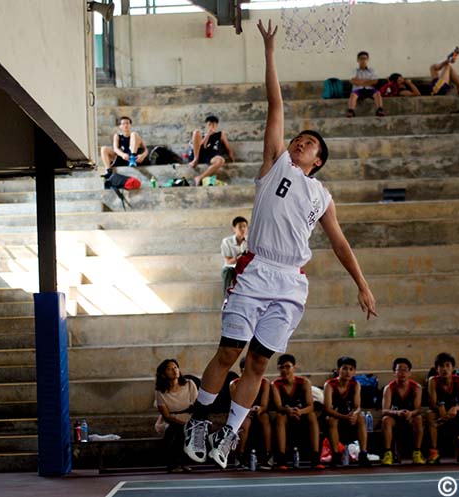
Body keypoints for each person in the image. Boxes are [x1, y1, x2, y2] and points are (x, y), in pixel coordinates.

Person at [182, 19, 377, 470]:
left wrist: (362, 285)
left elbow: (342, 244)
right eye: (297, 138)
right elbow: (275, 105)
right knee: (229, 352)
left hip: (291, 283)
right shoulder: (275, 166)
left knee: (257, 365)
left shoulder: (321, 196)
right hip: (256, 269)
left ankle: (229, 433)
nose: (298, 143)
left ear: (318, 161)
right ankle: (198, 420)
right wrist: (270, 52)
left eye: (307, 144)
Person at [271, 354, 323, 469]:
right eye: (281, 367)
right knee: (280, 417)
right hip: (286, 415)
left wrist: (300, 412)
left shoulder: (304, 382)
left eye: (287, 367)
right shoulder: (275, 384)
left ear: (294, 367)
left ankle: (315, 457)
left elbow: (310, 406)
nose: (284, 370)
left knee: (312, 416)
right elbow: (278, 406)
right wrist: (288, 410)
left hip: (302, 414)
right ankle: (281, 458)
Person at [425, 352, 459, 464]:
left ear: (453, 368)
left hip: (455, 413)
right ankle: (434, 452)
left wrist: (455, 409)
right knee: (429, 414)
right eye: (441, 366)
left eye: (448, 365)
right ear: (436, 369)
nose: (445, 369)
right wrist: (441, 409)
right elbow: (432, 403)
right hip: (440, 413)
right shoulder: (433, 381)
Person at [323, 356, 371, 467]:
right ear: (338, 370)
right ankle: (335, 455)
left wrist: (354, 414)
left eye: (351, 369)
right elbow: (327, 409)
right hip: (333, 415)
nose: (348, 372)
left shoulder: (356, 385)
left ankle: (363, 454)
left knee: (361, 418)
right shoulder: (329, 385)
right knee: (332, 420)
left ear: (354, 371)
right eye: (344, 368)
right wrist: (344, 417)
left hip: (348, 416)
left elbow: (357, 406)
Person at [154, 359, 198, 473]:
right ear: (163, 374)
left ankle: (181, 462)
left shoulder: (189, 384)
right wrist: (181, 422)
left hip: (189, 417)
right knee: (174, 430)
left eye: (175, 367)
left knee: (183, 431)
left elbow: (197, 406)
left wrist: (189, 422)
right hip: (171, 420)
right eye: (169, 369)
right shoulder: (160, 391)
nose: (174, 370)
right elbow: (166, 415)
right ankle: (174, 464)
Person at [230, 357, 272, 470]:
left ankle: (267, 456)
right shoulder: (234, 384)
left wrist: (259, 408)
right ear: (241, 371)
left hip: (258, 411)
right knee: (245, 422)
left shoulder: (265, 382)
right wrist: (247, 410)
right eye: (244, 371)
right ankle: (240, 455)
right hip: (241, 411)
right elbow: (236, 403)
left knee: (265, 418)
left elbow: (264, 404)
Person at [381, 357, 424, 466]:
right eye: (399, 370)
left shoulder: (416, 388)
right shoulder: (389, 388)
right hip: (395, 418)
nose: (402, 373)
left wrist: (411, 414)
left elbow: (418, 409)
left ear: (409, 373)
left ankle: (417, 452)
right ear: (394, 373)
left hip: (410, 418)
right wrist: (397, 413)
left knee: (418, 419)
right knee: (386, 420)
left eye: (405, 370)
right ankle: (388, 454)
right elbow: (384, 410)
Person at [187, 115, 236, 186]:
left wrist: (233, 159)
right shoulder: (201, 135)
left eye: (214, 125)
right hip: (199, 153)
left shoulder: (220, 134)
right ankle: (195, 159)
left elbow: (228, 148)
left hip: (211, 155)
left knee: (221, 160)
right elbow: (202, 146)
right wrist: (208, 135)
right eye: (209, 124)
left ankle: (200, 177)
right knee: (196, 132)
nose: (211, 126)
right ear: (206, 125)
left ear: (216, 126)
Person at [346, 51, 385, 117]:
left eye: (365, 58)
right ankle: (351, 111)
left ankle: (380, 110)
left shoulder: (372, 70)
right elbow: (353, 81)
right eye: (361, 58)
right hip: (358, 90)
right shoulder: (354, 70)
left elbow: (375, 81)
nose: (363, 60)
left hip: (370, 89)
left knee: (377, 93)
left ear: (367, 60)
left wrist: (360, 82)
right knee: (353, 95)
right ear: (358, 60)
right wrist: (367, 81)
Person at [221, 216, 249, 299]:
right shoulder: (227, 241)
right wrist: (238, 258)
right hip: (231, 268)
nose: (243, 229)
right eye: (240, 227)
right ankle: (226, 300)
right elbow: (228, 261)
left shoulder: (250, 241)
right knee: (228, 272)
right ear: (234, 229)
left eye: (245, 226)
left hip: (245, 268)